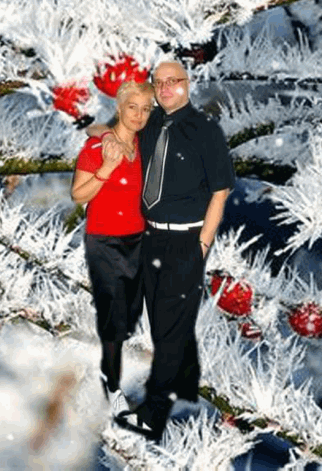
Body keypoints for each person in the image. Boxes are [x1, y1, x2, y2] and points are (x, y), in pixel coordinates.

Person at [89, 61, 235, 441]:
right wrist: (105, 137)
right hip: (150, 236)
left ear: (187, 84)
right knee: (163, 321)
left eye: (174, 81)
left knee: (169, 328)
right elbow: (110, 131)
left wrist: (202, 244)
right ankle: (185, 381)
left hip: (186, 240)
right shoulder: (150, 122)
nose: (166, 87)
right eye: (159, 83)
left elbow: (220, 192)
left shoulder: (205, 131)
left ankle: (154, 415)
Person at [71, 80, 154, 419]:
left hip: (138, 239)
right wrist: (106, 168)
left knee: (131, 316)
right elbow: (79, 195)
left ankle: (121, 375)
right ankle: (112, 389)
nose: (139, 115)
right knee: (113, 316)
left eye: (146, 109)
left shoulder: (145, 150)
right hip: (104, 239)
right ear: (119, 107)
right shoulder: (96, 149)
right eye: (132, 107)